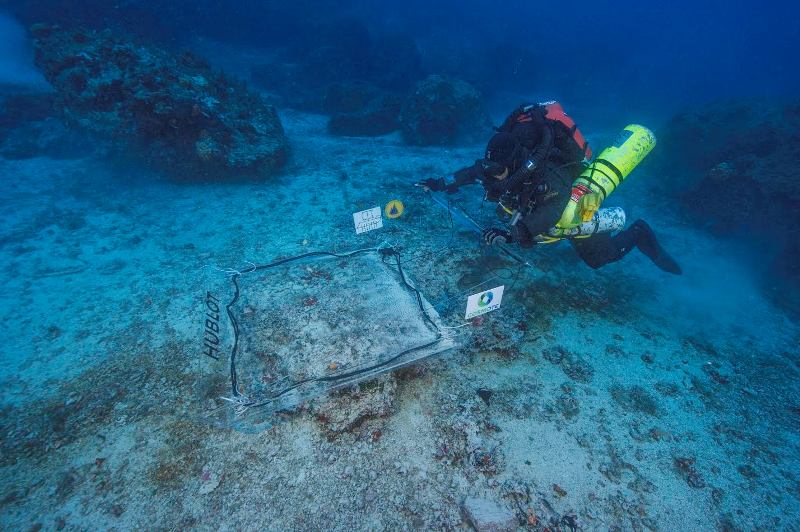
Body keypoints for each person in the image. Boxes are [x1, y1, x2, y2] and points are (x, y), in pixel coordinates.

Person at [418, 102, 681, 274]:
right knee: (517, 211)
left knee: (598, 258)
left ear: (515, 164)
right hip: (538, 208)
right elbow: (472, 173)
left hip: (572, 205)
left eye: (498, 171)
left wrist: (512, 234)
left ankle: (638, 232)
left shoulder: (545, 175)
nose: (492, 175)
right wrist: (439, 183)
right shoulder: (497, 165)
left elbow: (554, 209)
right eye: (489, 168)